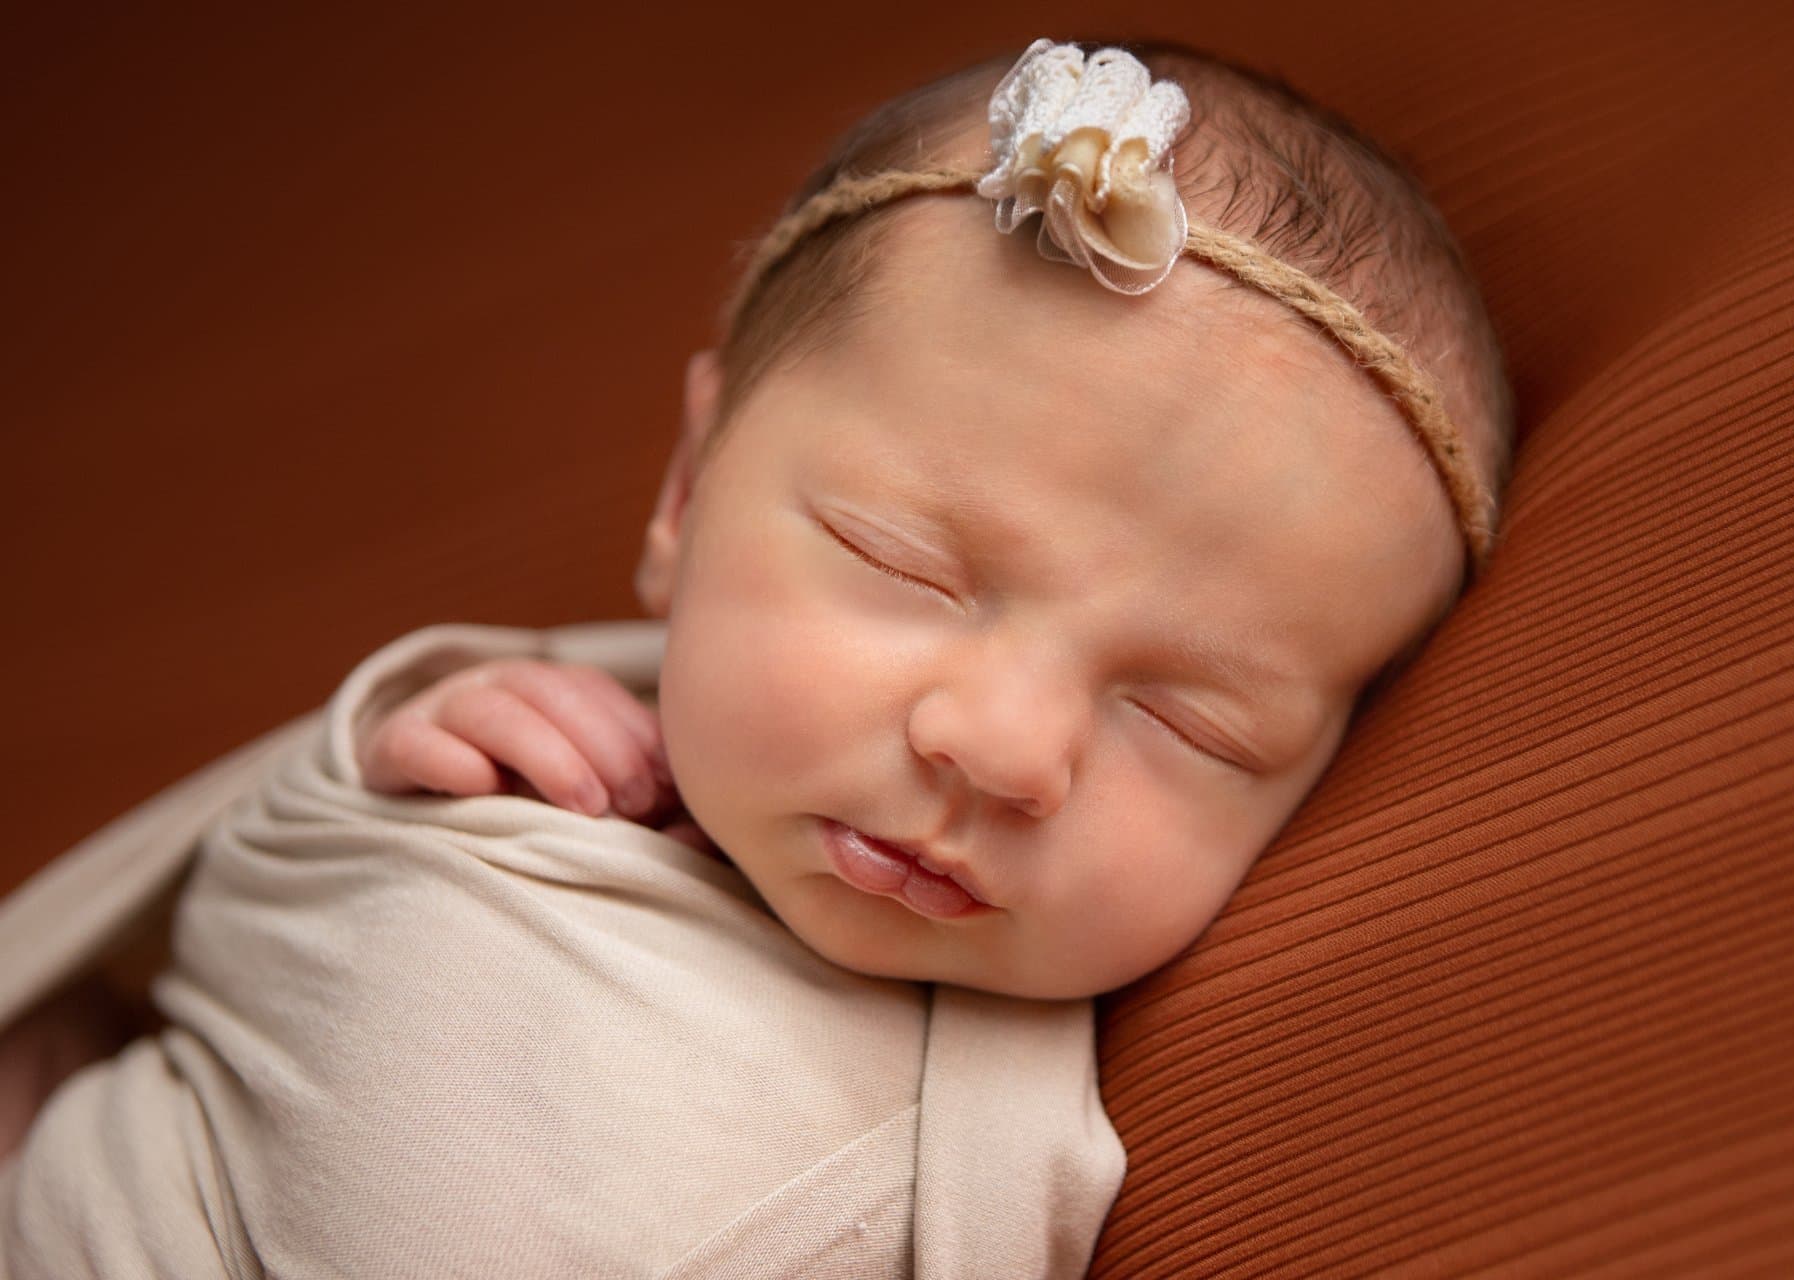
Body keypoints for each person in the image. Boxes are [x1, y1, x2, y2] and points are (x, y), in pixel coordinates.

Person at [0, 36, 1512, 1277]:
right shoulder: (520, 750)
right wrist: (390, 767)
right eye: (904, 565)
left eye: (1192, 722)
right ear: (686, 491)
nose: (1001, 748)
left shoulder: (1004, 1154)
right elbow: (223, 953)